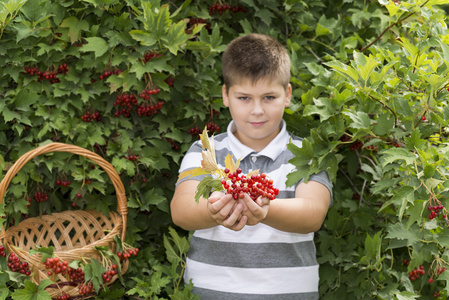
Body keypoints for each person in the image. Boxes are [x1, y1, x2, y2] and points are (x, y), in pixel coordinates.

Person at [170, 33, 332, 300]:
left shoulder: (308, 154)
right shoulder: (205, 150)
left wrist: (265, 209)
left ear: (287, 94)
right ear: (226, 95)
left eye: (269, 97)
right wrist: (215, 211)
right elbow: (181, 210)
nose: (257, 110)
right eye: (244, 98)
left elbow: (313, 213)